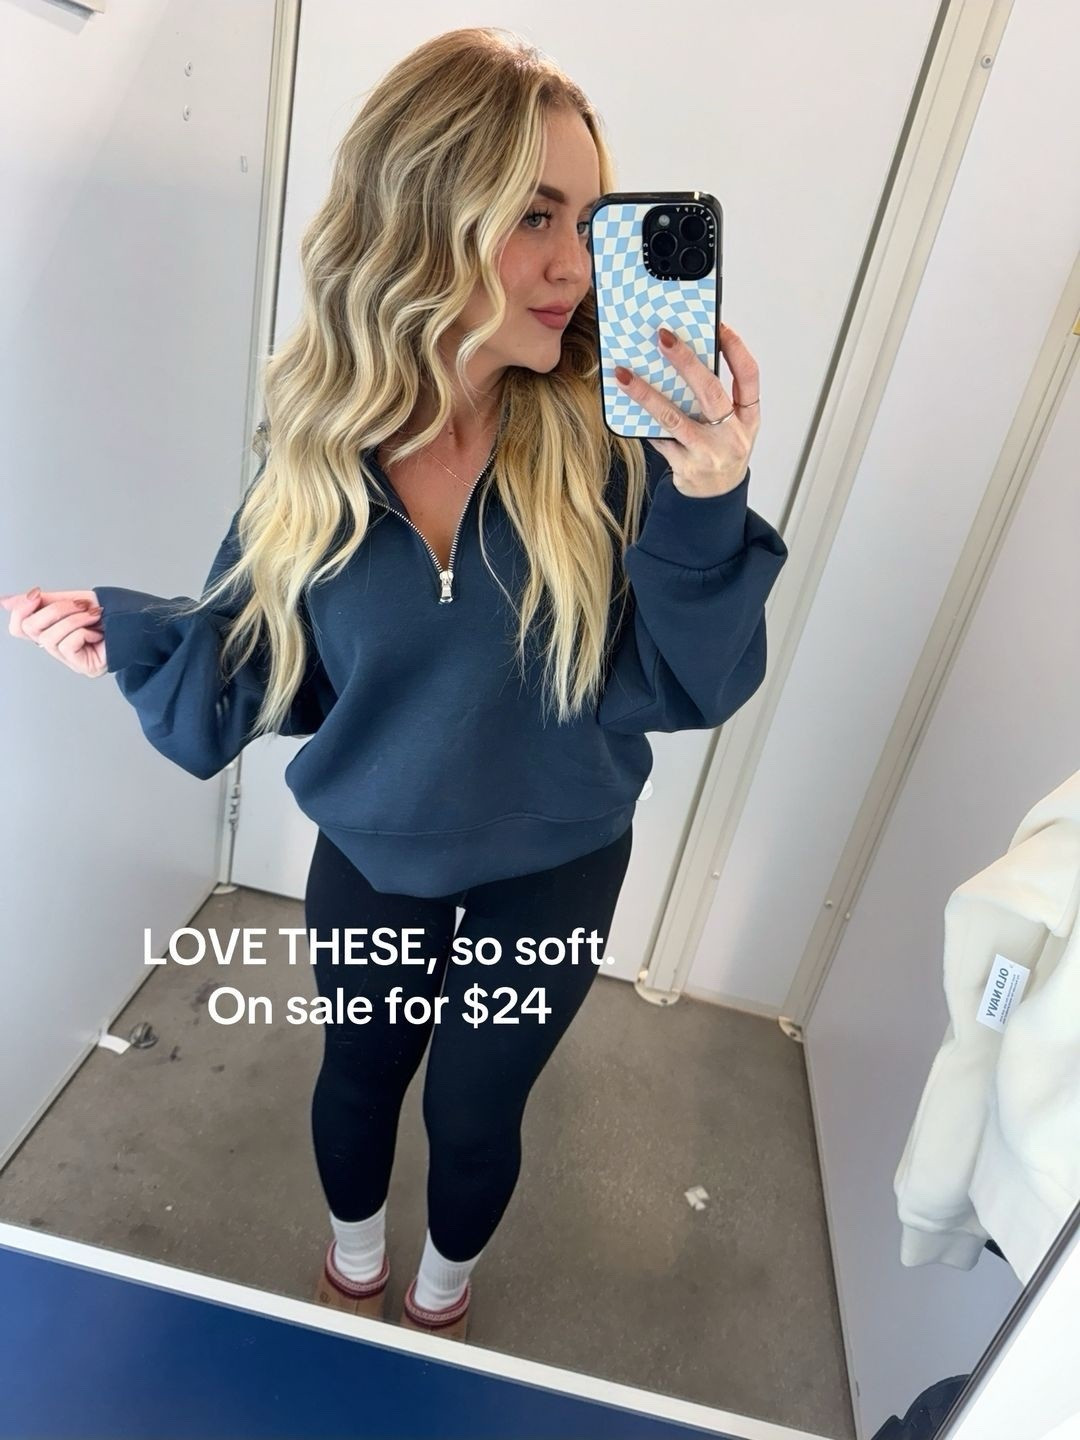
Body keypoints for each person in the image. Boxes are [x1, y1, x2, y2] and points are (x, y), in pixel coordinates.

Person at [2, 27, 787, 1343]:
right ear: (425, 212)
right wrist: (131, 636)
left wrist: (707, 500)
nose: (572, 262)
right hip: (375, 853)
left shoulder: (614, 445)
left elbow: (686, 682)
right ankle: (356, 1264)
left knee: (477, 1110)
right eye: (533, 213)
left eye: (588, 219)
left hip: (556, 863)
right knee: (361, 1074)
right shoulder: (316, 449)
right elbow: (261, 667)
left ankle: (439, 1294)